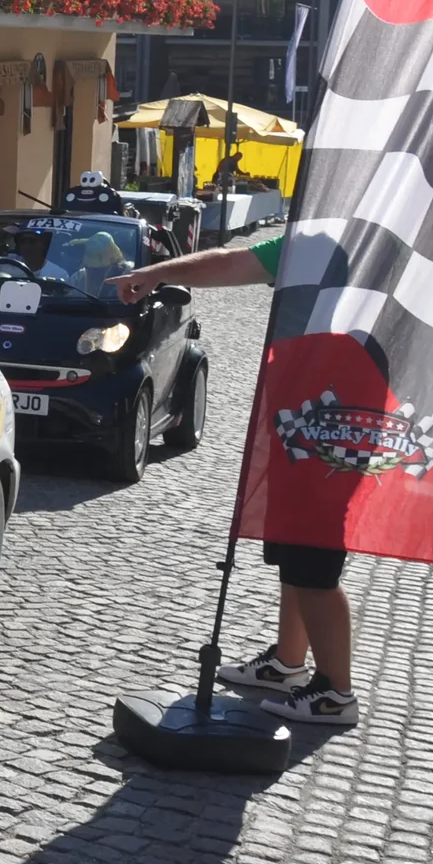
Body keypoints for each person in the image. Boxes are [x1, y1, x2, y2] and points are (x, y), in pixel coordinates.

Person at [107, 231, 360, 728]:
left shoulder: (340, 239)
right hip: (306, 412)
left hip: (335, 417)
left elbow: (229, 263)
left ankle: (336, 692)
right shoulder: (322, 235)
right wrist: (156, 273)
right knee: (293, 547)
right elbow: (230, 263)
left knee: (314, 560)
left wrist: (156, 272)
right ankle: (288, 663)